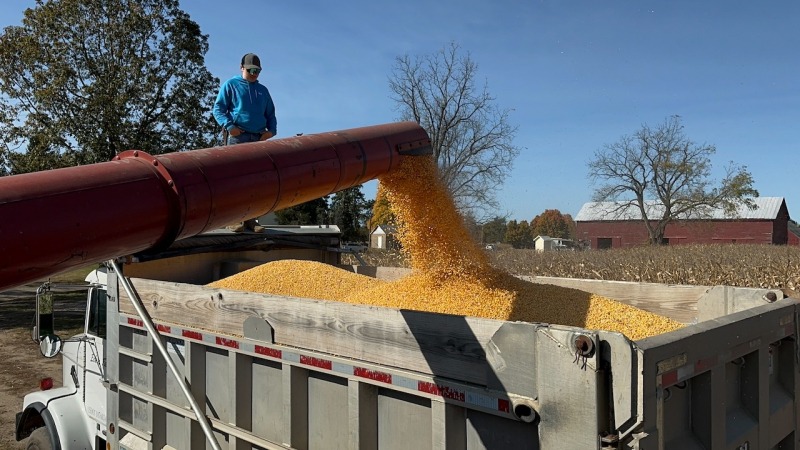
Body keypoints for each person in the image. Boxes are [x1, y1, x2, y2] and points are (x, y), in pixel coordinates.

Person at [213, 52, 278, 232]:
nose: (254, 73)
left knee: (256, 180)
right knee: (235, 179)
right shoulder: (231, 85)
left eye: (258, 70)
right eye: (251, 69)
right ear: (242, 68)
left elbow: (271, 114)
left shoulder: (263, 91)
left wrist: (271, 132)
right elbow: (218, 109)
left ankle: (251, 221)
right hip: (237, 136)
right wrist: (229, 126)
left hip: (257, 138)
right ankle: (234, 220)